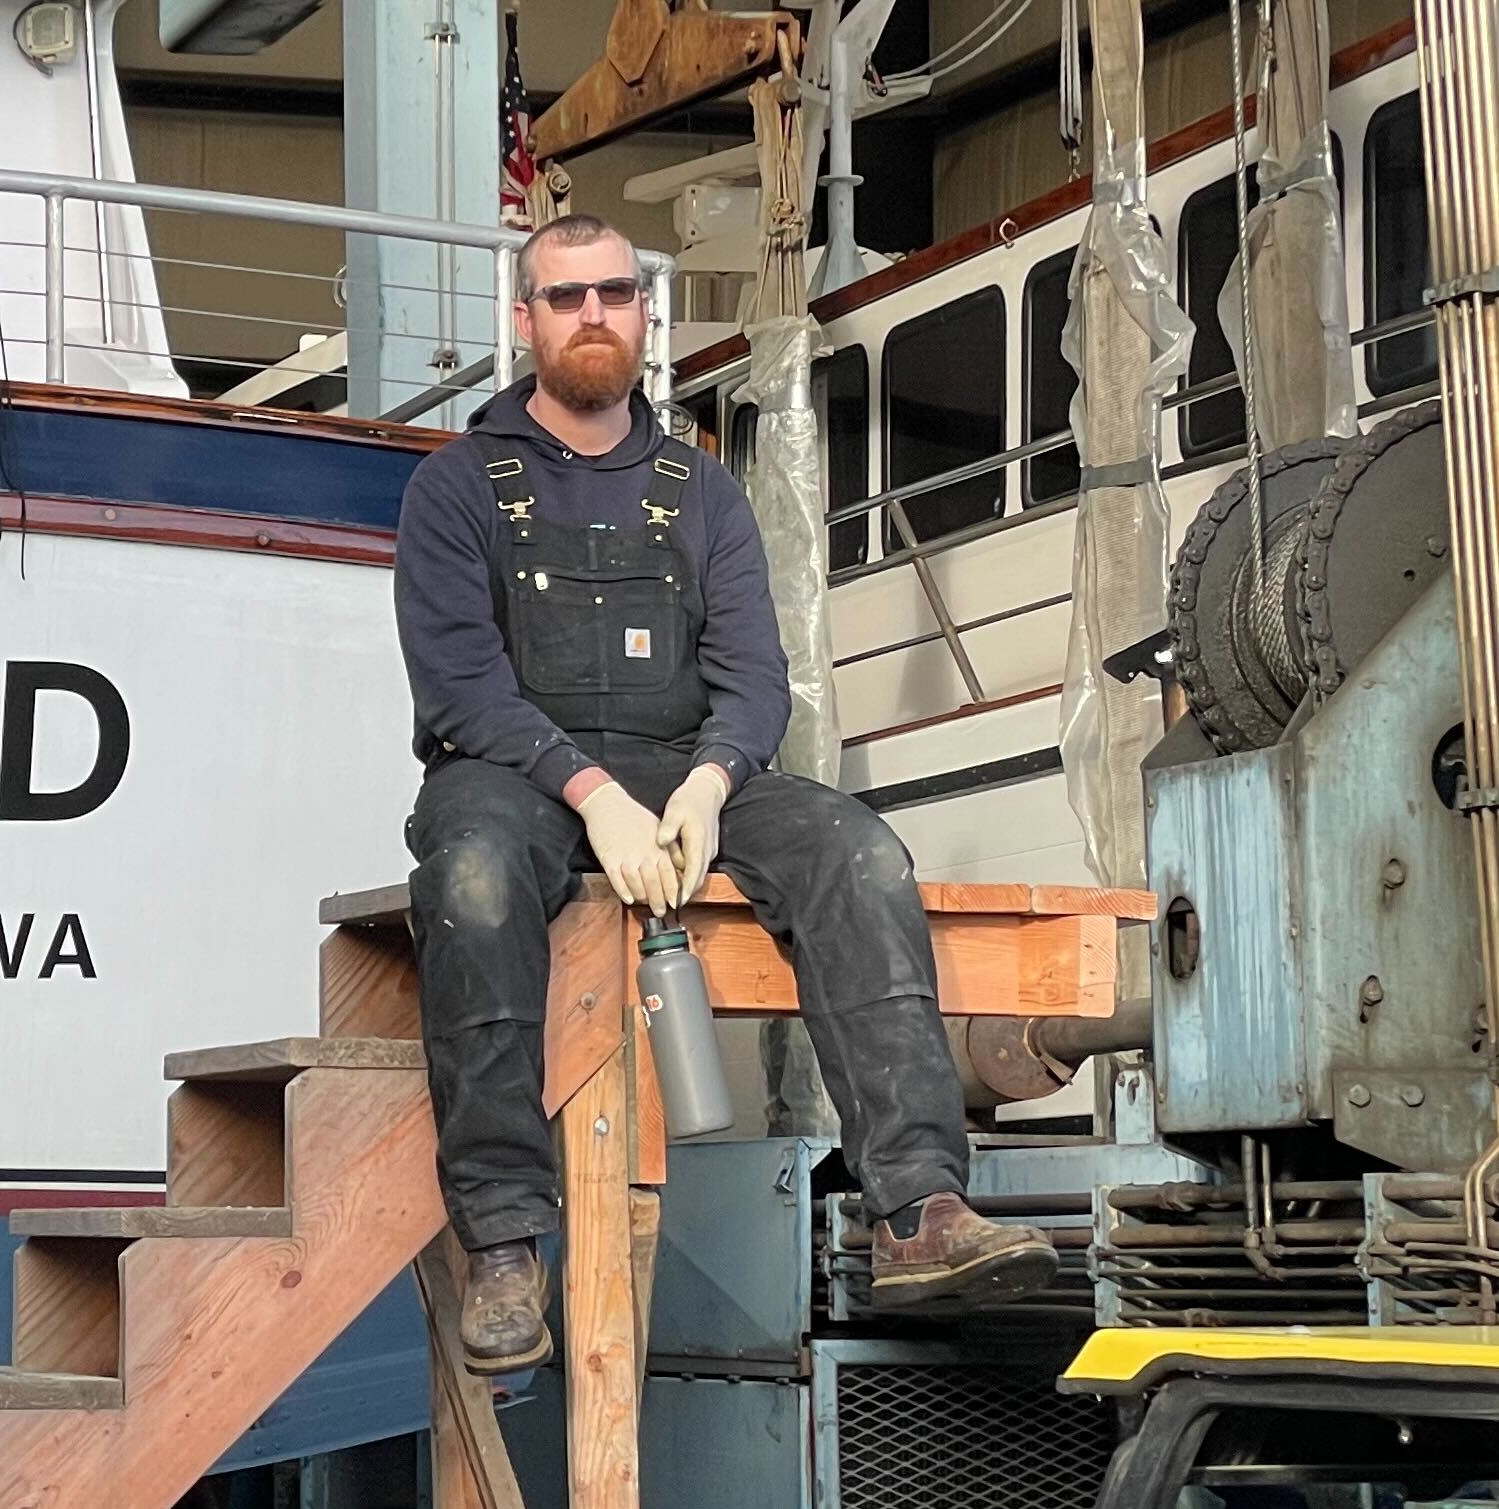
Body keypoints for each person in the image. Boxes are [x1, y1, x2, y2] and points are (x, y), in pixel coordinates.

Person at [395, 211, 1060, 1369]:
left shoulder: (700, 492)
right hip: (513, 773)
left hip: (683, 767)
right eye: (566, 297)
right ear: (525, 321)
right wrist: (593, 795)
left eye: (613, 292)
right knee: (473, 875)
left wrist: (708, 786)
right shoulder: (456, 491)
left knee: (859, 855)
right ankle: (504, 1245)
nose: (593, 313)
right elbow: (461, 684)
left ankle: (918, 1210)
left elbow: (755, 677)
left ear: (644, 315)